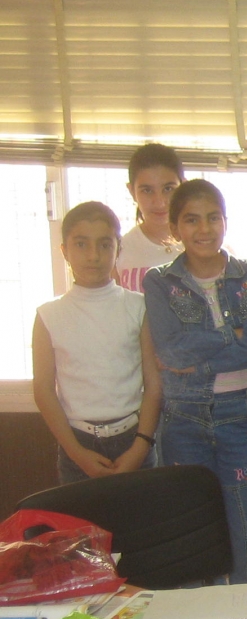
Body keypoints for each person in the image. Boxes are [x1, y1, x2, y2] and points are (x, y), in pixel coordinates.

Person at [144, 180, 247, 589]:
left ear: (225, 221)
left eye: (212, 218)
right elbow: (170, 352)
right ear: (175, 226)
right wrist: (230, 335)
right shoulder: (158, 282)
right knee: (195, 538)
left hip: (240, 417)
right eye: (191, 219)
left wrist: (202, 355)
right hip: (182, 421)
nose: (204, 229)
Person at [34, 202, 160, 484]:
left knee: (141, 526)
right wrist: (76, 452)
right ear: (64, 250)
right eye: (81, 244)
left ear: (118, 249)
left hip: (134, 438)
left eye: (104, 245)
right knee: (83, 528)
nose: (93, 256)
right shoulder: (48, 316)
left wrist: (141, 445)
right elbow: (43, 389)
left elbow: (154, 383)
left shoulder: (138, 307)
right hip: (76, 443)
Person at [115, 143, 184, 292]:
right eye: (147, 190)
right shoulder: (119, 251)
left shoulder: (202, 245)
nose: (159, 202)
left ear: (183, 186)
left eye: (168, 189)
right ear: (132, 191)